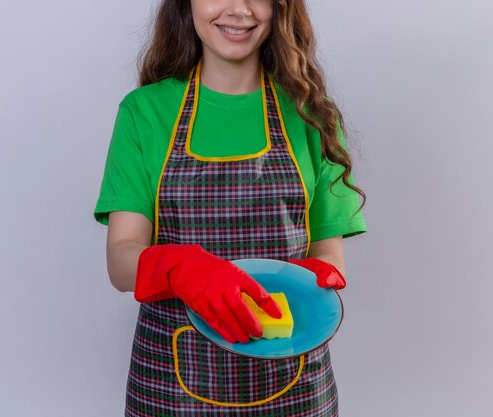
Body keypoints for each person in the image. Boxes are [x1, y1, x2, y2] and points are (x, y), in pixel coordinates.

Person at [93, 0, 367, 415]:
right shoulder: (144, 113)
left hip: (294, 384)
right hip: (172, 385)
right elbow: (120, 261)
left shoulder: (313, 117)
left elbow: (330, 256)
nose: (239, 9)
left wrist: (313, 279)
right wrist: (182, 268)